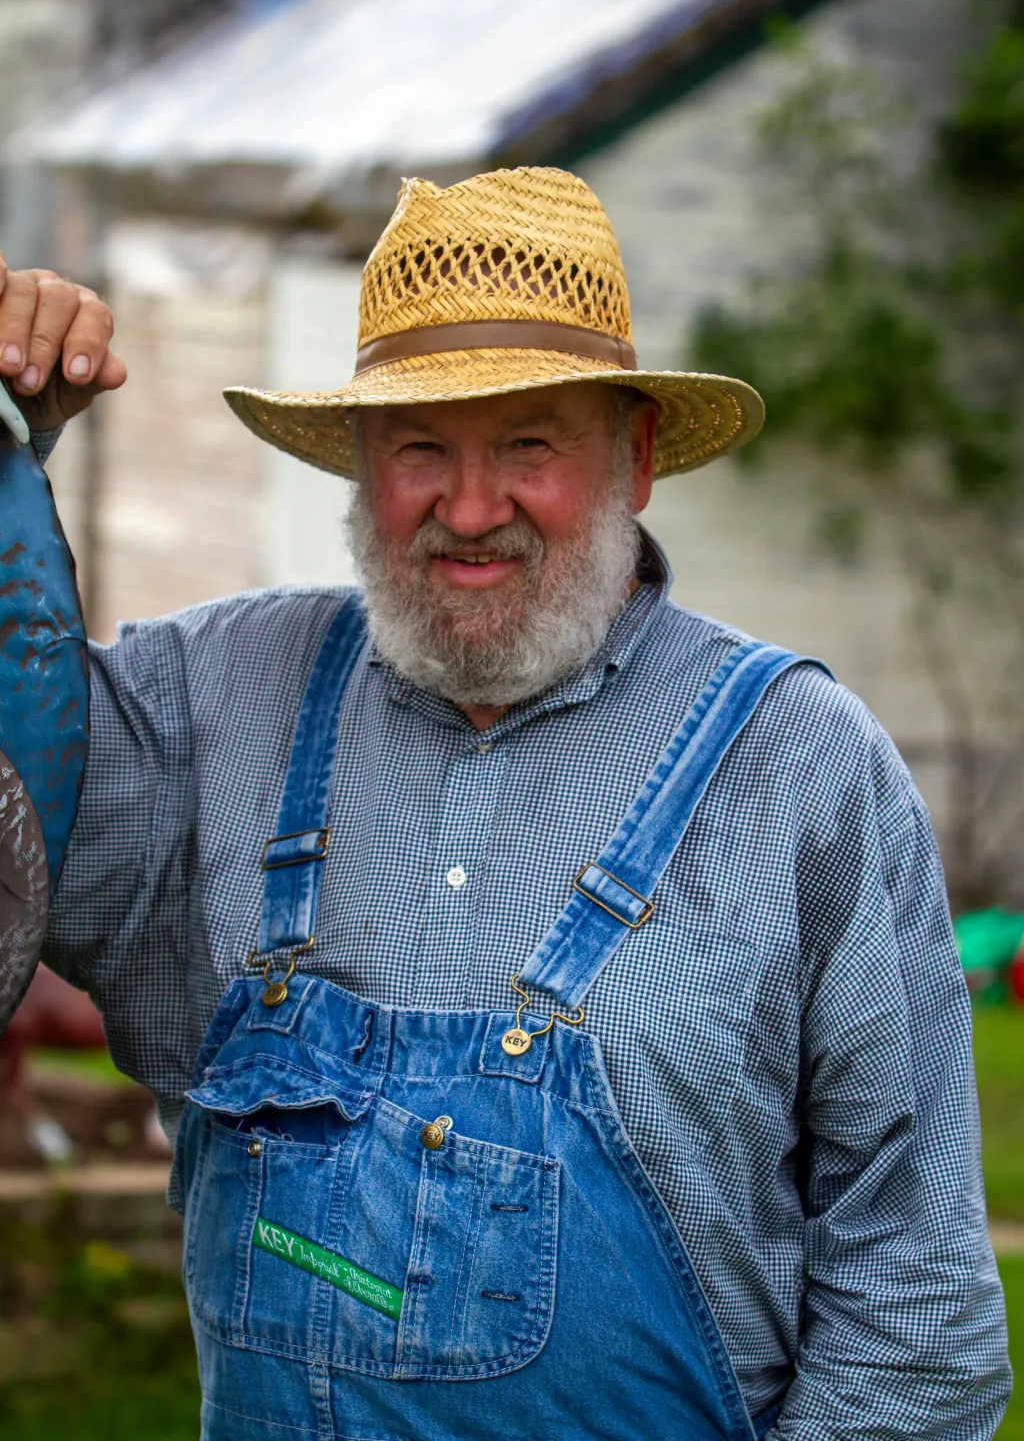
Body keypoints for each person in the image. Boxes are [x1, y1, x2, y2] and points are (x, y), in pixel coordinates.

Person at [0, 167, 1010, 1439]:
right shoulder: (206, 705)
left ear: (635, 457)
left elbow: (915, 1317)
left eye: (529, 443)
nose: (469, 511)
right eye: (421, 447)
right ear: (361, 466)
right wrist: (1, 448)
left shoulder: (803, 770)